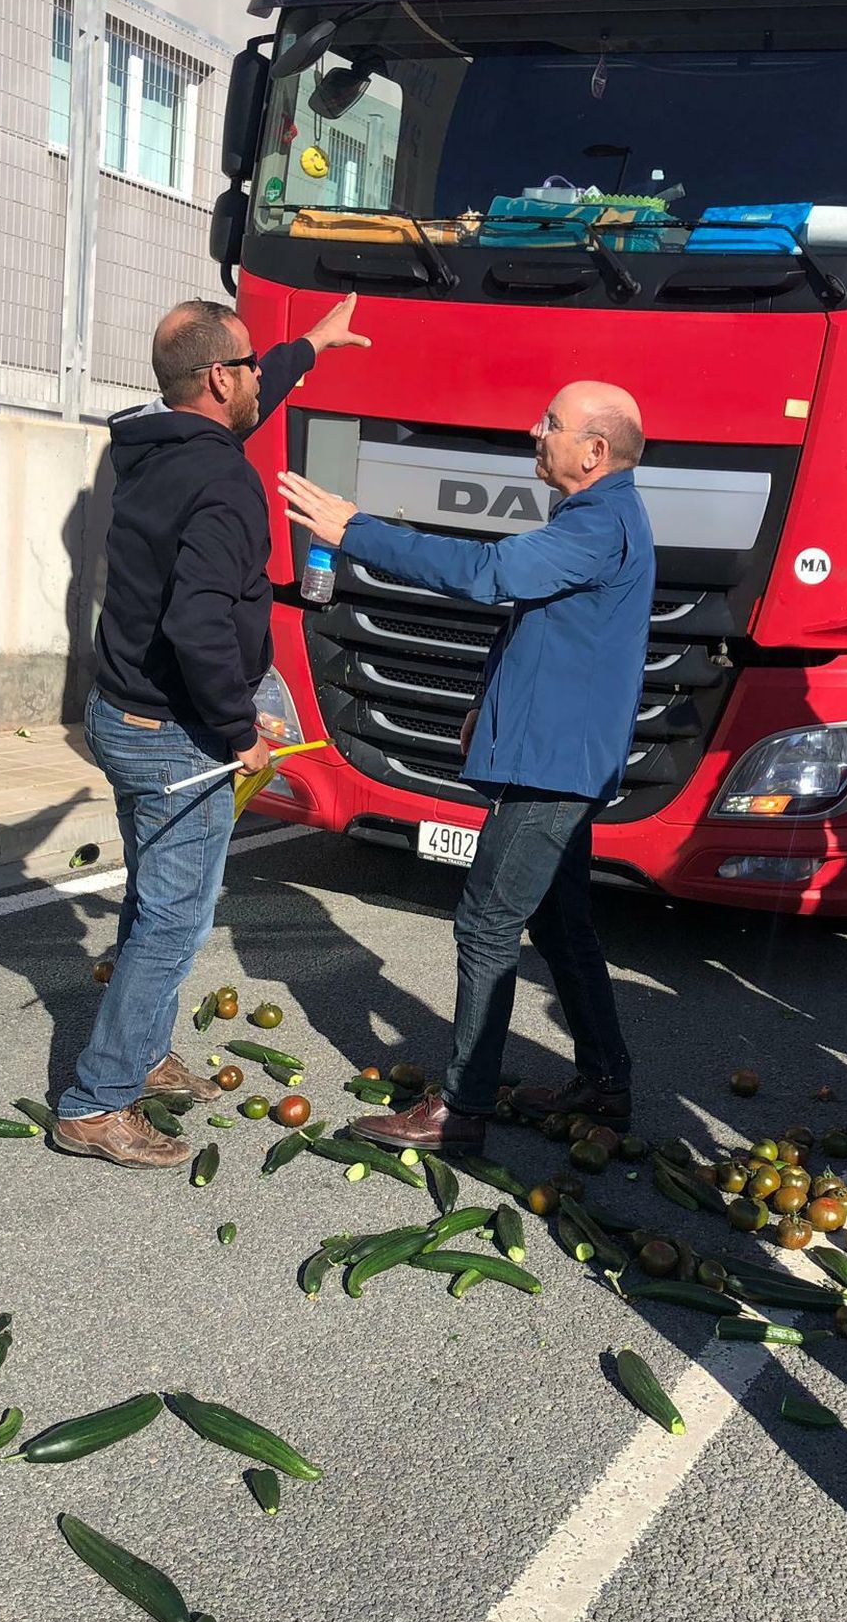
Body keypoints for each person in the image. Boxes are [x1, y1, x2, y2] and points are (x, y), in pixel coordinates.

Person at [277, 381, 653, 1155]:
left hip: (555, 767)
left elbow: (489, 574)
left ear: (595, 450)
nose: (534, 430)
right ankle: (605, 1082)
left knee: (486, 921)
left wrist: (356, 530)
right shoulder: (594, 515)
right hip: (557, 754)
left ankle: (461, 1110)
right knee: (560, 921)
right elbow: (539, 624)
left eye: (551, 422)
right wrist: (487, 702)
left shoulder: (599, 523)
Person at [52, 292, 369, 1169]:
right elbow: (198, 624)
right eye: (253, 365)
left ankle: (143, 1051)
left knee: (153, 901)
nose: (264, 376)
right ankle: (96, 1101)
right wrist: (237, 730)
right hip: (172, 735)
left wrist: (312, 345)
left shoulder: (152, 445)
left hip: (120, 711)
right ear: (220, 379)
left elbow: (248, 384)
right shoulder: (225, 481)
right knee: (175, 923)